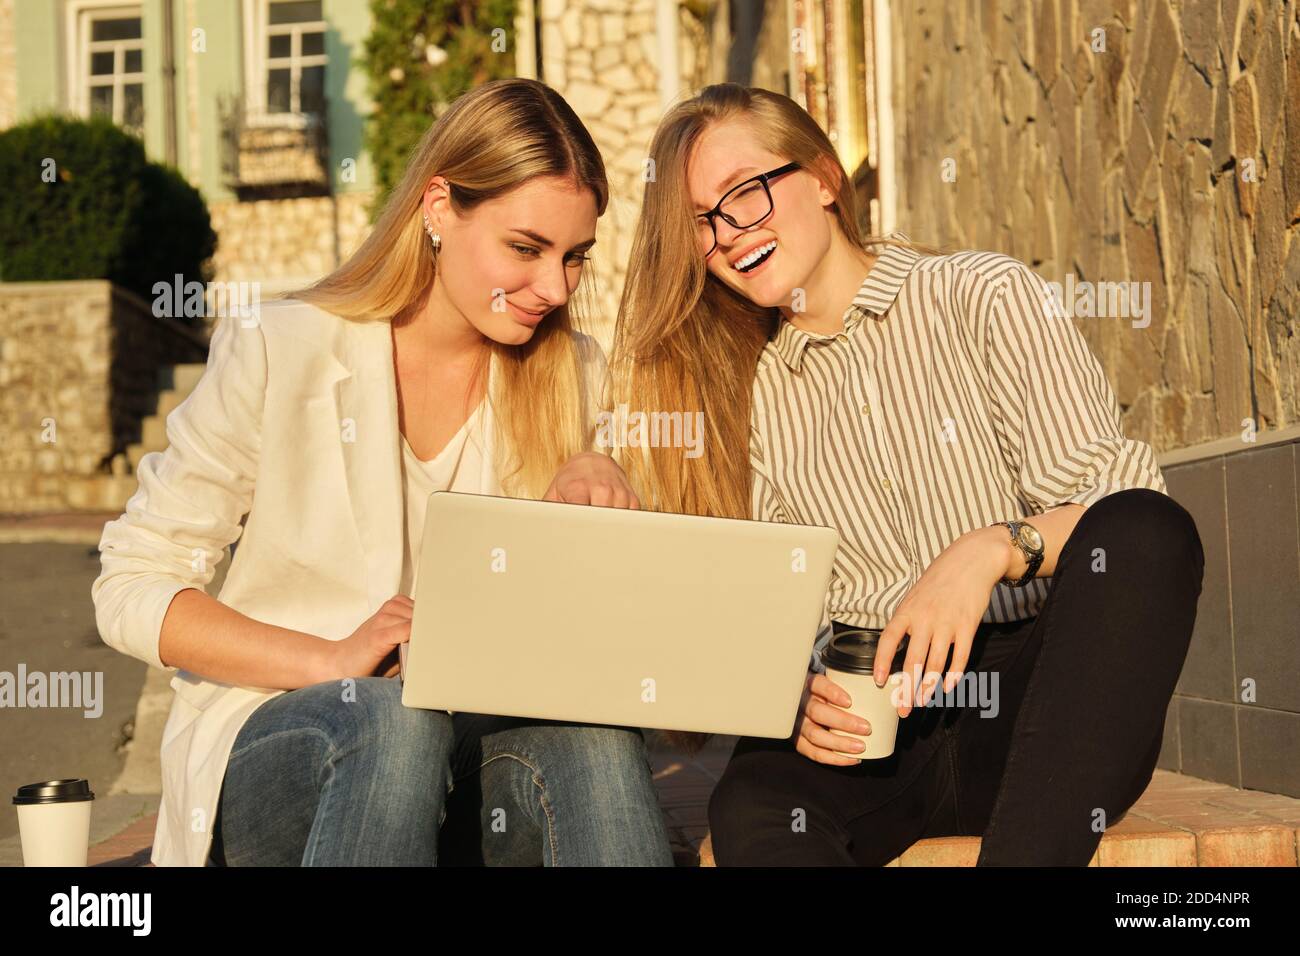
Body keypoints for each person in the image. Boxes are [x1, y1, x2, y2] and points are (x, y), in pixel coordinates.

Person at [609, 83, 1203, 866]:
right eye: (701, 223)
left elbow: (1118, 513)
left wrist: (990, 549)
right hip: (874, 724)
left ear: (823, 177)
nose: (729, 234)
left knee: (1150, 530)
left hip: (1042, 707)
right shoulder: (742, 397)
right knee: (751, 800)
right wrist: (795, 700)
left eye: (745, 194)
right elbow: (764, 620)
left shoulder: (982, 296)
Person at [93, 78, 673, 867]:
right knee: (386, 715)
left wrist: (596, 486)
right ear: (439, 207)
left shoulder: (573, 377)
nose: (556, 288)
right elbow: (130, 586)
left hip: (466, 760)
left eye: (576, 257)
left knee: (596, 740)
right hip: (294, 750)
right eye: (526, 248)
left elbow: (600, 645)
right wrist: (328, 659)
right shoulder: (281, 348)